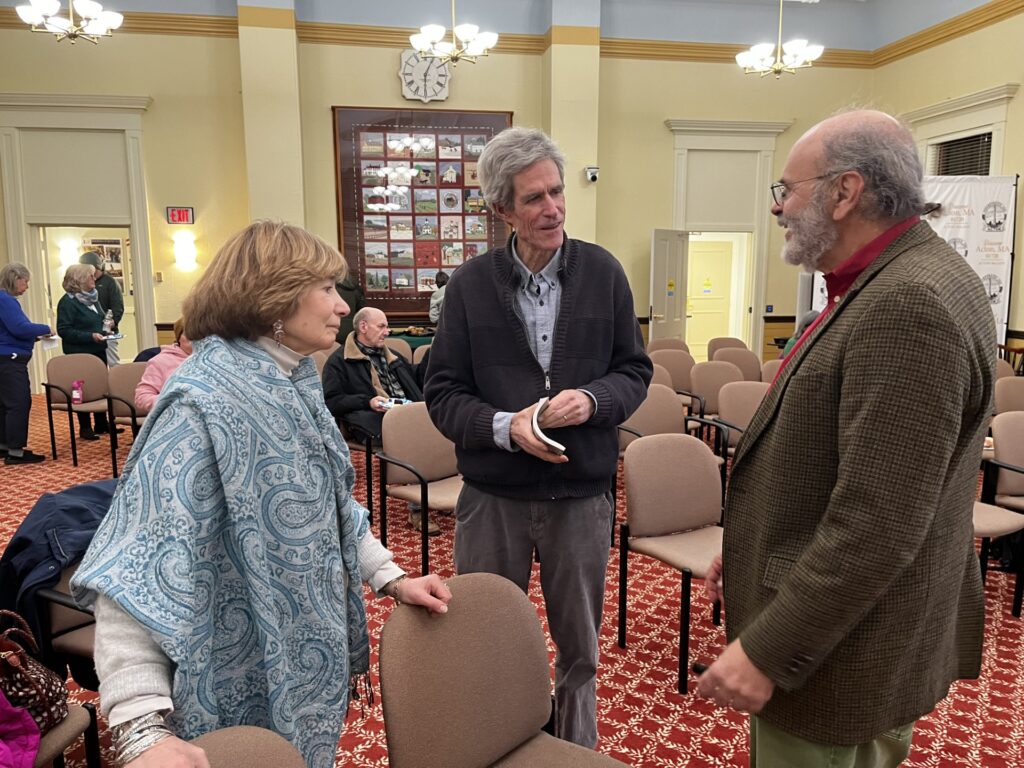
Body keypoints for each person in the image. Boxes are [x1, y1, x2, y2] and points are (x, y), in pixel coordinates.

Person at [70, 221, 451, 768]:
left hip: (298, 660)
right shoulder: (200, 405)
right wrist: (140, 728)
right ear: (273, 296)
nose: (342, 307)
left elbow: (329, 507)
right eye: (325, 288)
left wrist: (392, 577)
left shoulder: (289, 379)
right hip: (232, 677)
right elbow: (135, 576)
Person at [697, 110, 995, 767]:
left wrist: (767, 648)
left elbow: (876, 523)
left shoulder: (906, 305)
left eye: (787, 189)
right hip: (856, 631)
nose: (778, 208)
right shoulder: (892, 280)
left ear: (845, 190)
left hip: (841, 657)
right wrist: (748, 551)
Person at [424, 127, 652, 748]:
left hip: (581, 499)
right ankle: (492, 746)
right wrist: (507, 428)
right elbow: (442, 394)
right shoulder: (469, 287)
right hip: (493, 500)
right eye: (534, 199)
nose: (552, 208)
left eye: (556, 192)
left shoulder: (603, 273)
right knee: (483, 637)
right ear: (503, 210)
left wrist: (597, 399)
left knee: (580, 649)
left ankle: (576, 752)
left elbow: (634, 370)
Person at [322, 306, 434, 534]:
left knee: (446, 423)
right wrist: (368, 401)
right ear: (363, 327)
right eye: (382, 326)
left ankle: (439, 488)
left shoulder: (390, 355)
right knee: (413, 437)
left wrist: (436, 354)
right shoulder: (340, 361)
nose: (387, 332)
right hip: (370, 421)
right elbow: (332, 401)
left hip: (406, 413)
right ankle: (418, 509)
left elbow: (416, 381)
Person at [0, 263, 52, 465]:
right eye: (25, 281)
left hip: (4, 357)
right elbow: (19, 328)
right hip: (10, 359)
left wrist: (35, 336)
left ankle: (4, 445)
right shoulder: (6, 299)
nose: (27, 286)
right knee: (18, 403)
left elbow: (9, 331)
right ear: (15, 278)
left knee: (4, 405)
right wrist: (47, 328)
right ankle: (16, 452)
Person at [56, 263, 113, 440]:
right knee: (80, 389)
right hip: (79, 354)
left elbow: (99, 320)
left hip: (98, 350)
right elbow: (64, 330)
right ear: (80, 279)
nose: (94, 279)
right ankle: (85, 427)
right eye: (90, 276)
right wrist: (90, 336)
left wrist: (107, 327)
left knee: (100, 385)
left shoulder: (93, 298)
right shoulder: (67, 302)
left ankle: (102, 423)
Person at [134, 317, 193, 413]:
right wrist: (171, 401)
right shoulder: (160, 361)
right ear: (178, 338)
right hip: (173, 418)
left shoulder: (217, 359)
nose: (195, 339)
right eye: (189, 334)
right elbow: (142, 397)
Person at [80, 250, 125, 364]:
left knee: (113, 363)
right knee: (93, 365)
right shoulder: (82, 283)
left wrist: (111, 323)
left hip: (107, 333)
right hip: (89, 333)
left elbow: (117, 307)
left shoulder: (110, 283)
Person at [335, 272, 365, 344]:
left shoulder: (329, 286)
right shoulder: (355, 286)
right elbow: (361, 310)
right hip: (351, 331)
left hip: (333, 328)